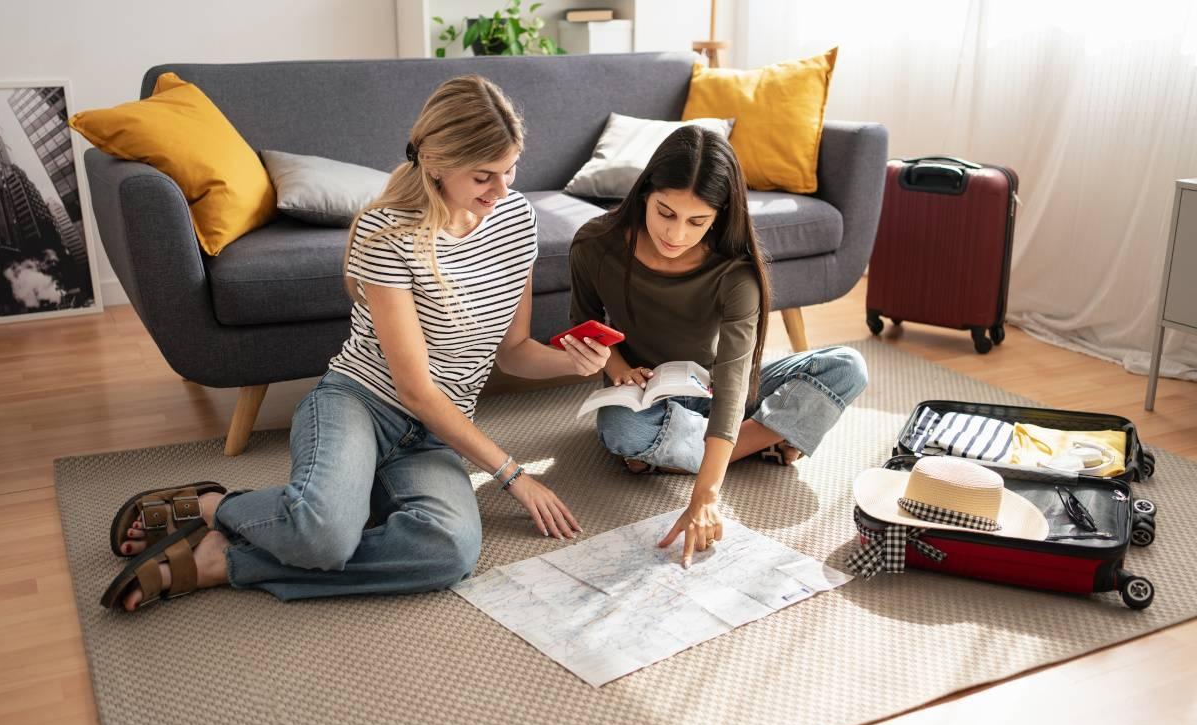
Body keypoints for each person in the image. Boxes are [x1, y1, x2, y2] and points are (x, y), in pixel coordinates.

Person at [102, 75, 610, 611]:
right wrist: (514, 476)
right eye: (484, 175)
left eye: (511, 170)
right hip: (359, 406)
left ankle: (222, 561)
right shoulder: (387, 235)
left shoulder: (516, 221)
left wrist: (571, 364)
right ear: (435, 163)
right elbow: (414, 392)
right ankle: (213, 506)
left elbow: (512, 351)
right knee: (322, 536)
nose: (503, 190)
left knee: (449, 552)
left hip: (437, 436)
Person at [568, 126, 868, 568]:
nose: (676, 234)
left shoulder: (735, 272)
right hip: (648, 394)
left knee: (848, 366)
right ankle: (763, 438)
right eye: (665, 213)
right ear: (645, 193)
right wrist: (617, 367)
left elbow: (732, 380)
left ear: (719, 215)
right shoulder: (595, 244)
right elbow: (586, 327)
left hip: (718, 389)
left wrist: (706, 496)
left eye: (697, 221)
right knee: (621, 429)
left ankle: (686, 454)